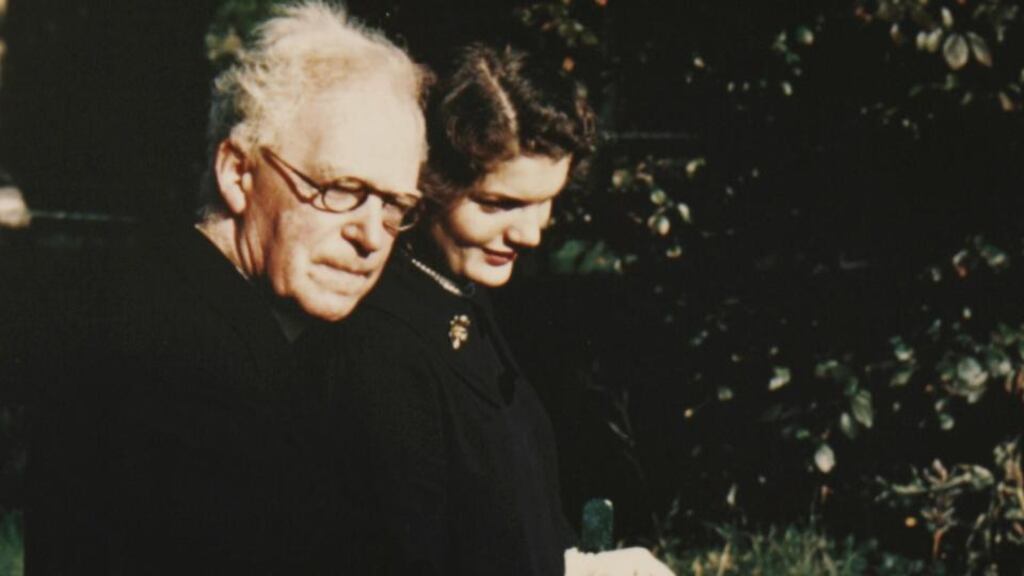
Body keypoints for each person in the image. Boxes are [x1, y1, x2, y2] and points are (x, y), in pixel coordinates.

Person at [23, 2, 428, 573]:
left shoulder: (252, 334)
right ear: (237, 173)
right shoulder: (169, 371)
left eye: (393, 205)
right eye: (343, 188)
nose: (371, 235)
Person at [318, 43, 674, 576]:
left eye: (544, 202)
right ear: (428, 181)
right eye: (499, 204)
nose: (529, 234)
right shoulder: (383, 349)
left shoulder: (466, 296)